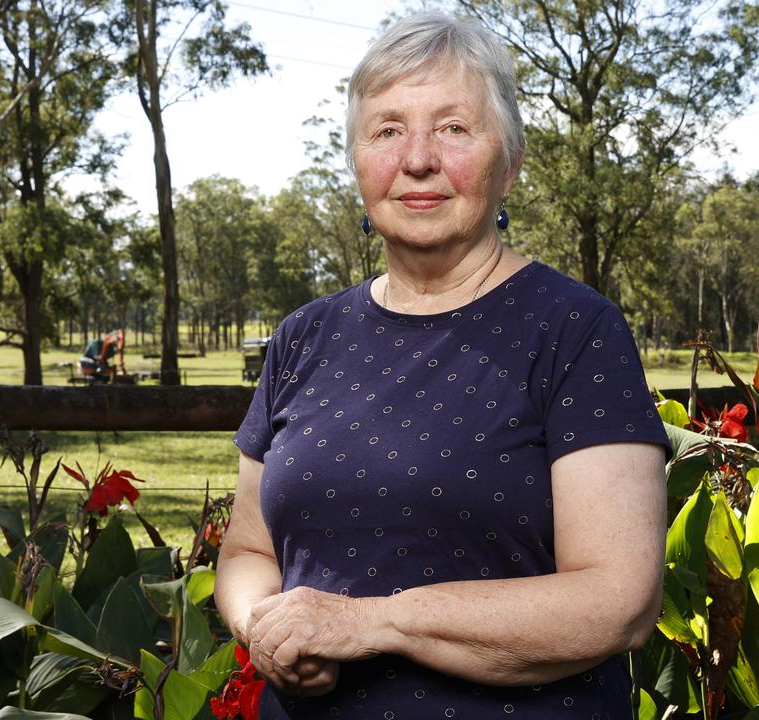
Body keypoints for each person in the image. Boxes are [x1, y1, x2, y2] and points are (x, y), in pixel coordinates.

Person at [216, 12, 670, 719]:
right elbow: (247, 552)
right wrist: (265, 629)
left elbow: (620, 601)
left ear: (510, 163)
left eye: (454, 128)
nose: (418, 158)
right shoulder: (302, 337)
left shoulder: (575, 331)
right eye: (388, 130)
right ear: (359, 160)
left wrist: (370, 623)